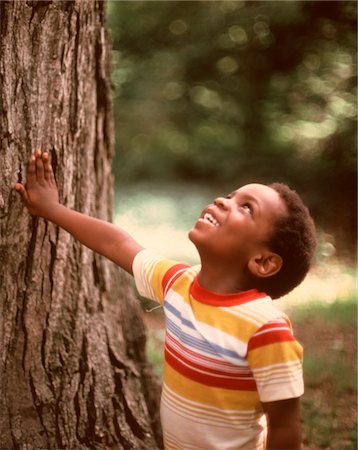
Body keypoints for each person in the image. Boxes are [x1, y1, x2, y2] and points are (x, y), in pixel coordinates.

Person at [15, 149, 316, 450]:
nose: (224, 201)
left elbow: (284, 426)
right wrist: (52, 210)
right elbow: (116, 243)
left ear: (263, 262)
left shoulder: (266, 329)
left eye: (247, 208)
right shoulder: (178, 282)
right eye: (230, 195)